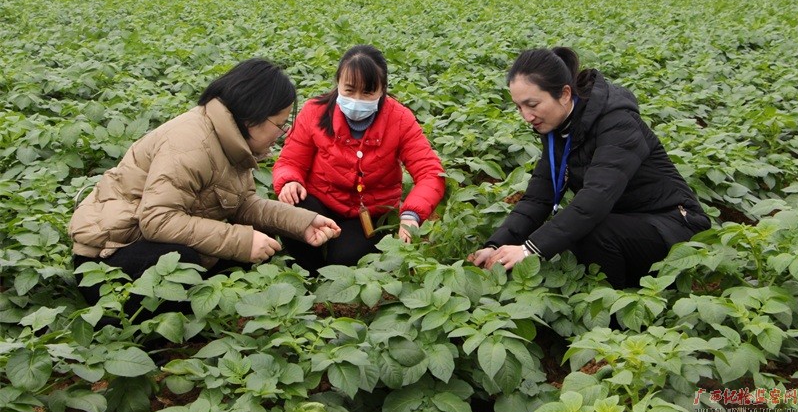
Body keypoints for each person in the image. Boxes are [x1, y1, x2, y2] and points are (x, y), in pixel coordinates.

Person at [70, 59, 341, 317]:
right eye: (279, 125)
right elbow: (157, 220)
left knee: (255, 247)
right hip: (107, 261)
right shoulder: (190, 143)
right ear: (252, 118)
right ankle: (143, 329)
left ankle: (198, 312)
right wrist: (242, 241)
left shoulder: (230, 140)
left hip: (144, 240)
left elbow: (243, 204)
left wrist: (303, 222)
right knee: (181, 260)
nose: (281, 134)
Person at [468, 47, 711, 289]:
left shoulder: (617, 122)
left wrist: (529, 249)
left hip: (674, 224)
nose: (527, 116)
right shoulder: (557, 128)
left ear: (564, 94)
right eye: (519, 107)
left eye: (532, 104)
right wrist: (496, 246)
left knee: (586, 232)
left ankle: (615, 314)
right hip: (626, 221)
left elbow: (596, 198)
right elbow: (537, 198)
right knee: (569, 233)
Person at [273, 45, 445, 273]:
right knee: (291, 215)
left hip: (370, 211)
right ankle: (308, 274)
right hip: (321, 200)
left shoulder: (400, 119)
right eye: (349, 90)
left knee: (344, 258)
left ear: (383, 89)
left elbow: (430, 172)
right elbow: (290, 161)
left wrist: (411, 214)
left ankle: (330, 270)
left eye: (367, 93)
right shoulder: (314, 112)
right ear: (338, 84)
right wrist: (289, 181)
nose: (356, 99)